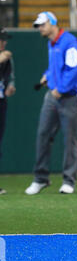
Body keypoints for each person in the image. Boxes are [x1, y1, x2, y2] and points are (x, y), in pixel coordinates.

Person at [25, 12, 77, 195]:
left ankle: (69, 181)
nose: (40, 29)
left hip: (70, 97)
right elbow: (56, 67)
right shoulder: (50, 43)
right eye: (38, 26)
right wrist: (48, 75)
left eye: (42, 25)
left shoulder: (69, 42)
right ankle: (40, 179)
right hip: (53, 96)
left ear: (52, 23)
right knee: (43, 134)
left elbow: (75, 70)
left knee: (69, 140)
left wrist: (60, 89)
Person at [0, 28, 16, 194]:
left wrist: (10, 87)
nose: (4, 42)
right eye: (1, 39)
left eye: (4, 39)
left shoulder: (7, 58)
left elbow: (11, 79)